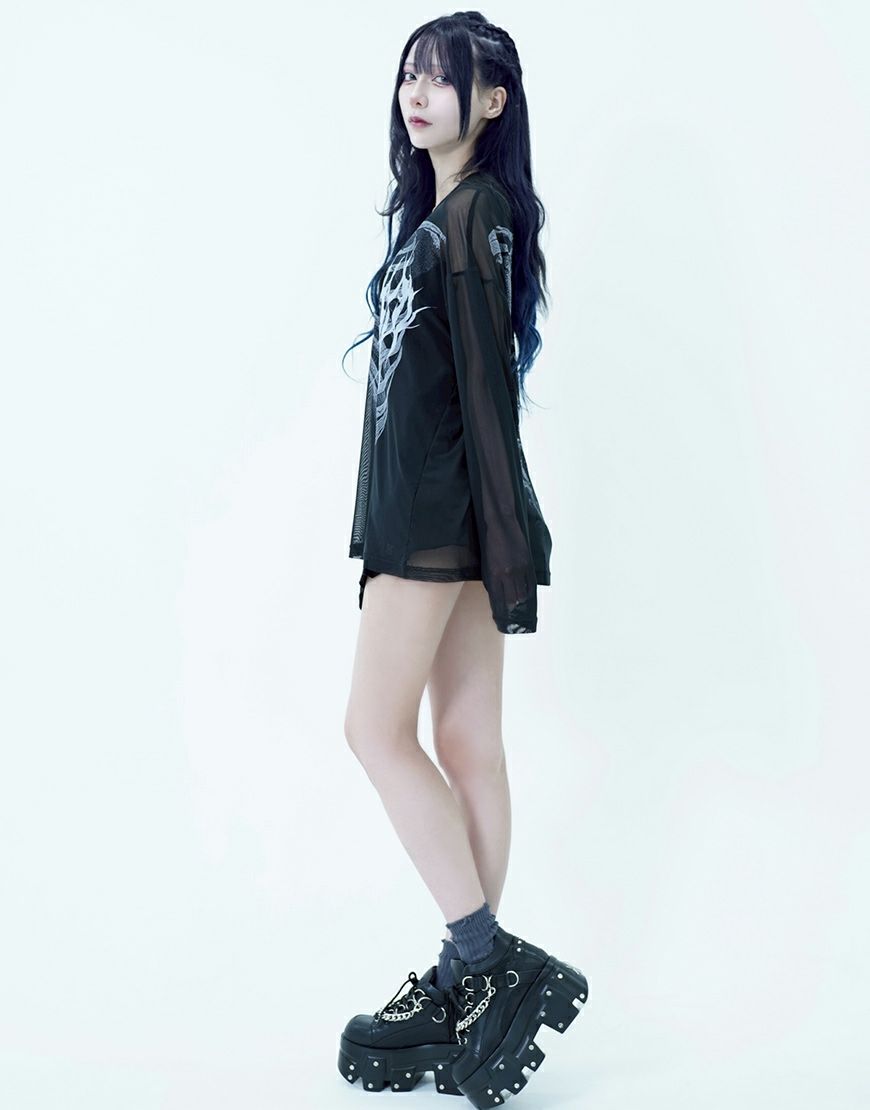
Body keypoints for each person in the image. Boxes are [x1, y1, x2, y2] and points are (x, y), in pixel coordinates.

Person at [338, 12, 588, 1106]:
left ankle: (485, 963)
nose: (417, 91)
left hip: (439, 520)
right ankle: (466, 983)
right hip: (442, 514)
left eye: (442, 77)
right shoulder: (439, 216)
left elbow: (487, 392)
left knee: (374, 730)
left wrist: (503, 540)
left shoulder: (476, 212)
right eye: (409, 73)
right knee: (465, 740)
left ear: (493, 101)